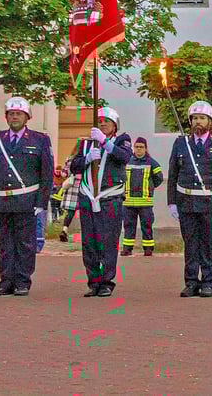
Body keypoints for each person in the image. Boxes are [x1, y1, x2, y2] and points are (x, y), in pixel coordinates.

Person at [0, 96, 54, 297]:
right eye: (11, 114)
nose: (14, 117)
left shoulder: (40, 140)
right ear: (6, 117)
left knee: (25, 244)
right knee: (4, 244)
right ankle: (6, 281)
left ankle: (22, 281)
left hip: (26, 200)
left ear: (27, 117)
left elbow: (46, 174)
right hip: (1, 200)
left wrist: (42, 202)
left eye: (18, 114)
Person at [168, 100, 212, 298]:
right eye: (194, 118)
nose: (198, 122)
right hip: (186, 202)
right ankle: (190, 282)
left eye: (202, 118)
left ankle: (207, 281)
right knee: (190, 245)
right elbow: (173, 173)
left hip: (210, 203)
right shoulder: (181, 143)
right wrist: (171, 202)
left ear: (210, 121)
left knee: (208, 244)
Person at [69, 106, 133, 298]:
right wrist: (87, 158)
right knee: (89, 242)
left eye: (107, 121)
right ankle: (93, 281)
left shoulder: (122, 140)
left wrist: (105, 143)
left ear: (115, 125)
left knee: (107, 241)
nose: (103, 123)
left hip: (109, 198)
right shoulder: (85, 143)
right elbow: (74, 166)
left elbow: (124, 157)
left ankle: (106, 281)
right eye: (100, 121)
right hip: (88, 197)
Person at [122, 137, 163, 257]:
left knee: (147, 226)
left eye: (141, 147)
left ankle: (148, 249)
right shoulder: (127, 161)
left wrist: (150, 188)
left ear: (146, 148)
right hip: (128, 202)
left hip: (145, 202)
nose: (139, 149)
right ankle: (127, 249)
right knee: (128, 226)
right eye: (137, 147)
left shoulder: (152, 162)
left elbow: (159, 178)